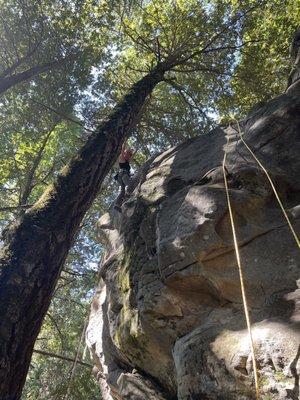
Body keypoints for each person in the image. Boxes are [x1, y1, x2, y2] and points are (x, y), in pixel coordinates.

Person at [114, 141, 135, 211]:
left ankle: (117, 204)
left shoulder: (126, 161)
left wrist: (132, 151)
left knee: (122, 192)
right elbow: (122, 151)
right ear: (125, 154)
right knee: (129, 184)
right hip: (123, 175)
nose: (129, 156)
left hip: (120, 178)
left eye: (130, 155)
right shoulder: (122, 159)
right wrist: (124, 143)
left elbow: (130, 159)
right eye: (128, 154)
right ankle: (128, 194)